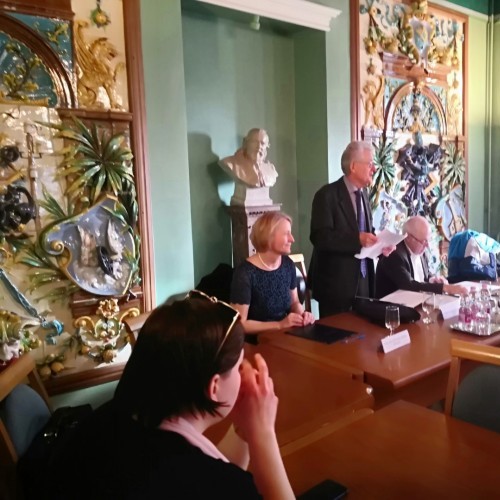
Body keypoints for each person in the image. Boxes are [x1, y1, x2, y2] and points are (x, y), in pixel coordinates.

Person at [54, 294, 294, 500]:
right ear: (214, 386)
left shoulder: (109, 419)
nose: (242, 375)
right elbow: (214, 482)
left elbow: (207, 468)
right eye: (239, 367)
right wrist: (263, 433)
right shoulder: (205, 484)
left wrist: (245, 429)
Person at [309, 141, 395, 317]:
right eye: (370, 164)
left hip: (364, 281)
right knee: (338, 333)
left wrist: (380, 247)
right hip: (336, 286)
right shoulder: (327, 195)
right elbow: (320, 237)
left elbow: (365, 232)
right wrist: (357, 239)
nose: (374, 169)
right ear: (353, 166)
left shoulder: (364, 194)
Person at [231, 211, 315, 334]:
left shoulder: (288, 264)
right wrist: (279, 325)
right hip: (257, 340)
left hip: (285, 335)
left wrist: (303, 315)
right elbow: (239, 324)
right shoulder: (245, 273)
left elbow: (295, 303)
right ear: (269, 236)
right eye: (286, 234)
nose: (292, 239)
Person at [376, 215, 468, 298]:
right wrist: (445, 288)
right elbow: (409, 285)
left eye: (428, 240)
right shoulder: (394, 254)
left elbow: (424, 276)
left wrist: (433, 280)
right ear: (408, 237)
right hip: (392, 307)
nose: (427, 245)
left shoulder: (420, 249)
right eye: (423, 241)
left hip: (416, 301)